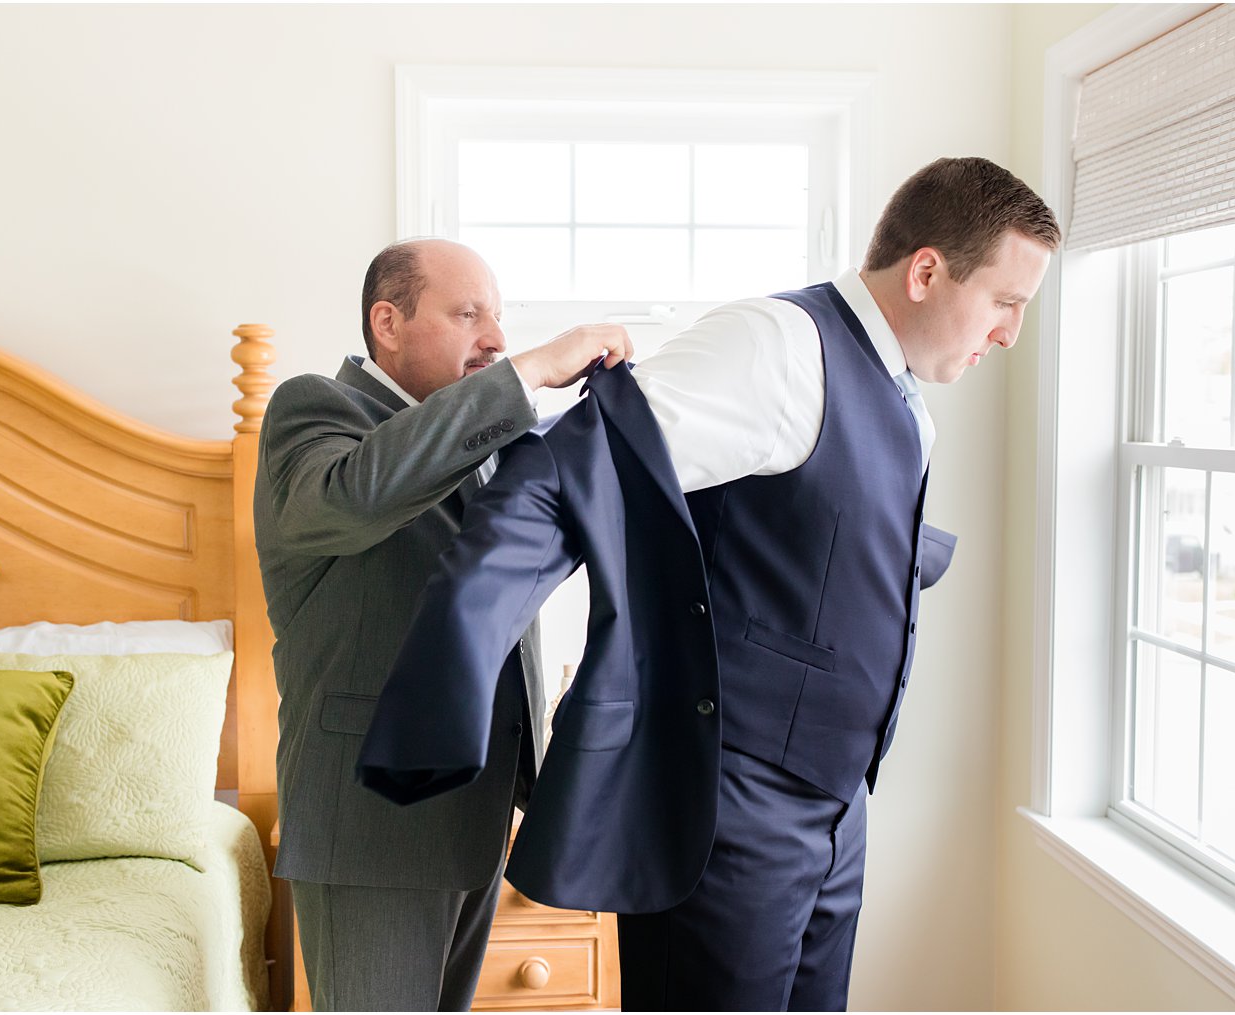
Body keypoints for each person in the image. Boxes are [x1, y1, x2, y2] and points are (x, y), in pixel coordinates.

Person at [358, 157, 1061, 1010]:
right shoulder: (778, 349)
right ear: (926, 271)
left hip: (837, 811)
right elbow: (569, 473)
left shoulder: (908, 402)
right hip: (729, 812)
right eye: (1006, 303)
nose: (1011, 334)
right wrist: (452, 670)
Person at [254, 237, 631, 1012]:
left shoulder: (485, 444)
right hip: (371, 831)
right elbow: (359, 493)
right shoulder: (312, 412)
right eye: (468, 314)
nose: (494, 337)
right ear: (386, 322)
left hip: (477, 816)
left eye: (498, 317)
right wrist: (528, 371)